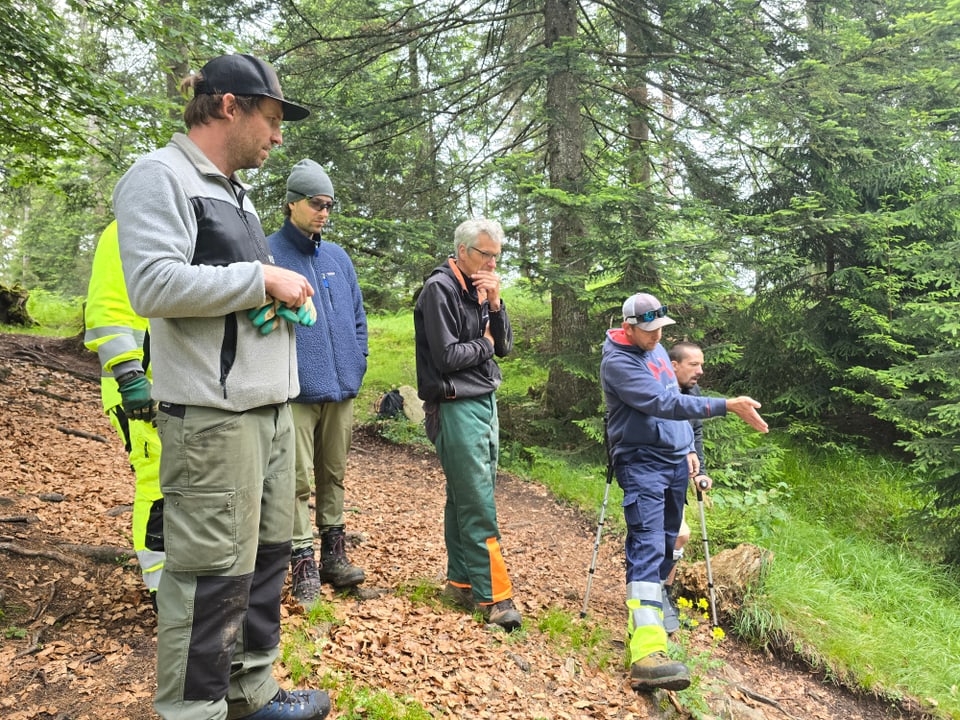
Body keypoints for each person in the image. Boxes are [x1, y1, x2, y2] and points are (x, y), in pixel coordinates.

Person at [112, 53, 330, 720]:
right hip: (211, 418)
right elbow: (152, 284)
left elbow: (226, 298)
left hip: (265, 412)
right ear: (229, 106)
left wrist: (283, 302)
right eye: (271, 117)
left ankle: (250, 692)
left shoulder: (230, 190)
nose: (279, 134)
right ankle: (193, 712)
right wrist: (262, 280)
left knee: (263, 568)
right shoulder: (159, 176)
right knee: (209, 581)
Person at [600, 292, 768, 692]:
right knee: (646, 544)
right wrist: (726, 405)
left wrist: (690, 450)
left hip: (675, 462)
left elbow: (677, 400)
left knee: (669, 541)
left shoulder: (655, 349)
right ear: (628, 327)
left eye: (662, 328)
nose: (657, 337)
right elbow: (662, 403)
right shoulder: (619, 362)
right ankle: (646, 652)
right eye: (649, 330)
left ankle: (646, 619)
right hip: (641, 463)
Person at [413, 218, 522, 632]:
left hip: (484, 402)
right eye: (485, 254)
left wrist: (495, 305)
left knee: (464, 497)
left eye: (496, 256)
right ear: (462, 251)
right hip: (454, 405)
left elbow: (505, 347)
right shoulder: (439, 289)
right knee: (477, 501)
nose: (491, 263)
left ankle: (460, 581)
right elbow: (446, 357)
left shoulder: (480, 289)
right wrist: (486, 346)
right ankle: (494, 596)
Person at [267, 159, 368, 604]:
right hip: (296, 391)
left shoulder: (337, 258)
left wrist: (357, 361)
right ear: (292, 203)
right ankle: (302, 561)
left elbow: (358, 318)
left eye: (329, 204)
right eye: (316, 202)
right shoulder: (269, 254)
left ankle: (333, 555)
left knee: (334, 474)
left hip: (341, 388)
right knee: (295, 479)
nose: (324, 211)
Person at [83, 219, 164, 610]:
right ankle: (161, 589)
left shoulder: (179, 223)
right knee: (157, 484)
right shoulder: (127, 228)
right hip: (136, 390)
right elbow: (107, 309)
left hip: (173, 387)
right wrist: (131, 378)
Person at [659, 341, 706, 633]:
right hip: (652, 472)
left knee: (678, 536)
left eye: (701, 365)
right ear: (674, 365)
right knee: (673, 535)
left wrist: (700, 470)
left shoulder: (694, 393)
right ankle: (655, 595)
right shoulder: (658, 390)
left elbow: (695, 432)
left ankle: (664, 591)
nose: (700, 371)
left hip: (678, 474)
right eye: (694, 365)